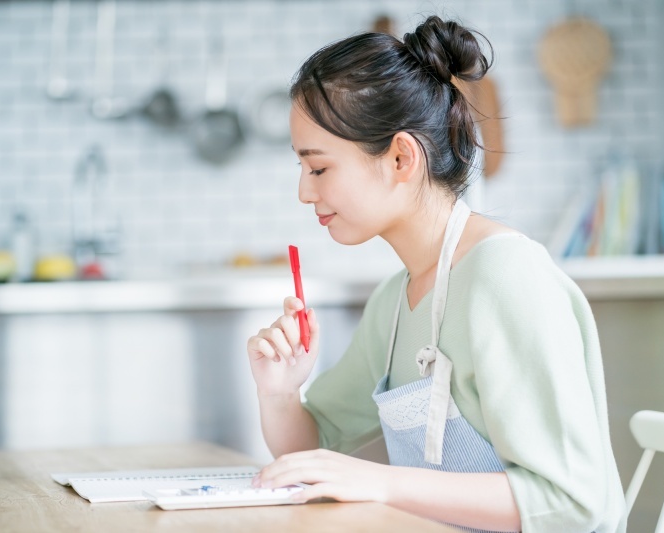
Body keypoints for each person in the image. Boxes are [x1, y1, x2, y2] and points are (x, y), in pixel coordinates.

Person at [246, 15, 626, 532]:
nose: (305, 193)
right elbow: (313, 452)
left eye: (319, 168)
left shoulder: (506, 276)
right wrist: (280, 391)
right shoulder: (394, 302)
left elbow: (575, 504)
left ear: (401, 157)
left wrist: (381, 482)